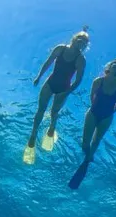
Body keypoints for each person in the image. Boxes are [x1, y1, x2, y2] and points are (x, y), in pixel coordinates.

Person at [23, 29, 89, 165]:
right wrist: (38, 77)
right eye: (80, 39)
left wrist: (67, 92)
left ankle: (52, 127)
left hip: (63, 89)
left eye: (84, 42)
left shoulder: (81, 60)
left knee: (54, 112)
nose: (81, 42)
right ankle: (33, 135)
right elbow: (48, 62)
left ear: (85, 46)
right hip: (50, 83)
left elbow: (78, 80)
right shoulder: (60, 48)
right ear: (74, 38)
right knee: (41, 109)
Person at [67, 57, 116, 189]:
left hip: (107, 116)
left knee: (96, 141)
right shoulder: (98, 81)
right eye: (115, 65)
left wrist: (109, 113)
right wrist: (94, 109)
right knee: (85, 142)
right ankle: (86, 153)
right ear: (109, 68)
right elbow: (92, 96)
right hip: (93, 113)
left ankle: (87, 160)